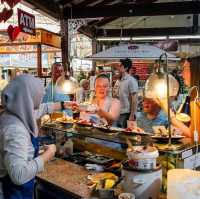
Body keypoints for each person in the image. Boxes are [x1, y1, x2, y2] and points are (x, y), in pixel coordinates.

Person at [0, 74, 75, 199]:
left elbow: (39, 109)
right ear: (27, 99)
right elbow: (19, 175)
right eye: (37, 99)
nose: (39, 102)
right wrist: (47, 155)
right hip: (10, 192)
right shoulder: (15, 130)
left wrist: (63, 105)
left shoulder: (13, 112)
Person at [114, 58, 138, 128]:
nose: (118, 67)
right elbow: (115, 95)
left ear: (126, 68)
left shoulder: (131, 80)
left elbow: (134, 100)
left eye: (120, 65)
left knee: (124, 135)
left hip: (126, 113)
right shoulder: (118, 80)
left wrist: (132, 114)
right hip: (117, 112)